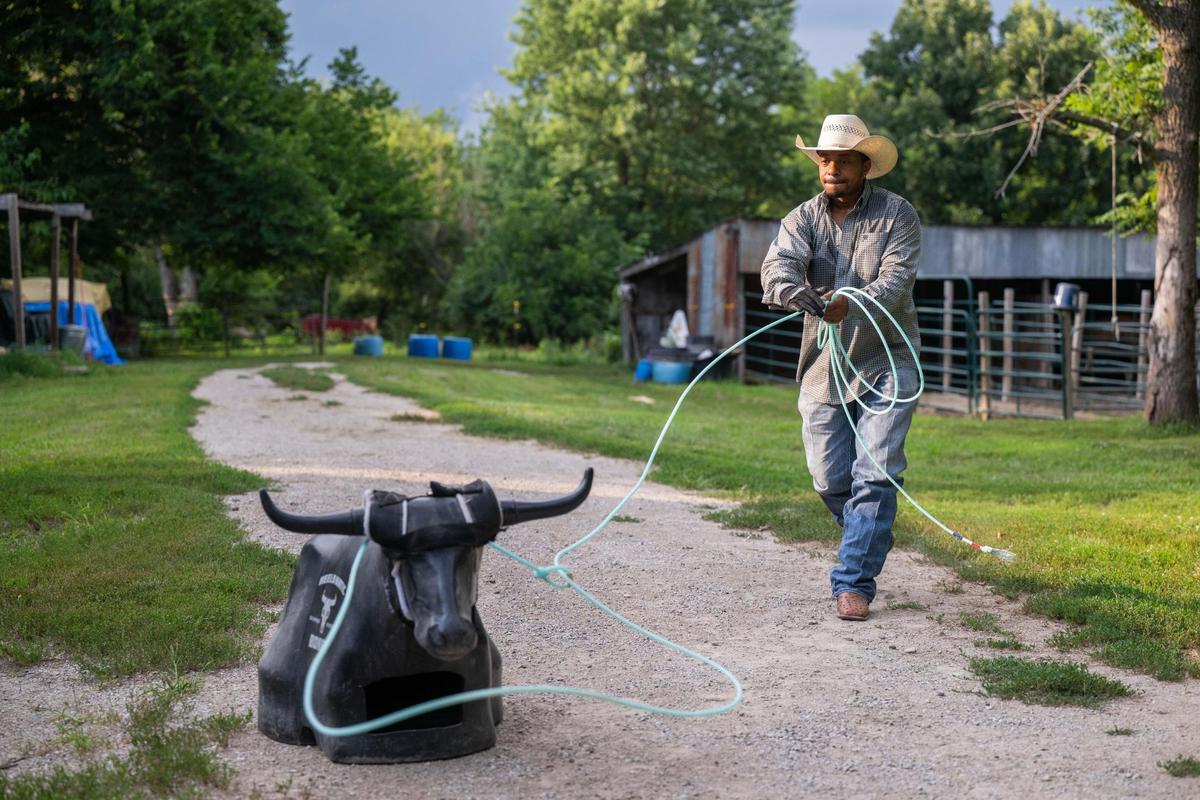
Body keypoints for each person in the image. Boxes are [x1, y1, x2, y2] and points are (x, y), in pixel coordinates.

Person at [760, 114, 921, 622]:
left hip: (888, 361)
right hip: (822, 367)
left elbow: (895, 283)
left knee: (875, 474)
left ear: (865, 165)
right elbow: (777, 270)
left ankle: (853, 581)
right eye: (824, 160)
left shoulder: (898, 215)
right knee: (830, 479)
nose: (831, 168)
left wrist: (846, 303)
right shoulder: (801, 219)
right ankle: (869, 530)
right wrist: (801, 295)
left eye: (842, 160)